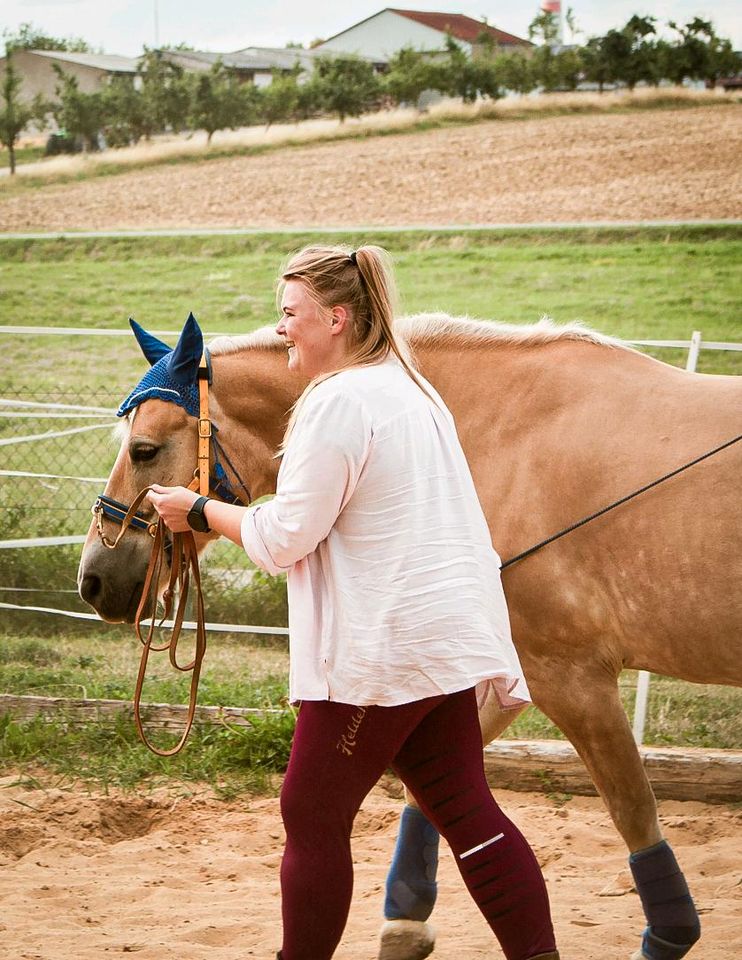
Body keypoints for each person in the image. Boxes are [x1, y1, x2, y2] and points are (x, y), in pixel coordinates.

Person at [148, 244, 560, 960]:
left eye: (290, 314)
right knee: (467, 810)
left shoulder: (338, 403)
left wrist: (200, 509)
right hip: (443, 640)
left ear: (336, 318)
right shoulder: (409, 388)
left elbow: (284, 538)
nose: (280, 329)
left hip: (382, 652)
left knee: (310, 810)